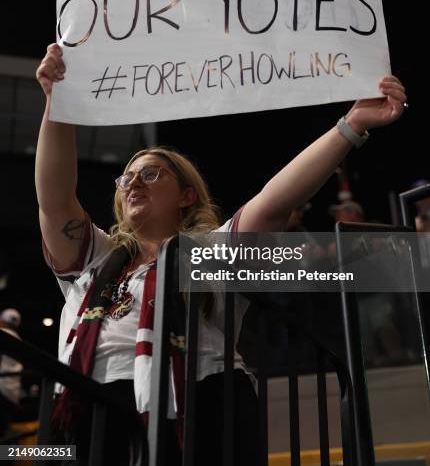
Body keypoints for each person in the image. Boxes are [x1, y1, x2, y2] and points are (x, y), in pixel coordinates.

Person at [35, 42, 407, 465]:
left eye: (152, 173)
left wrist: (352, 124)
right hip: (87, 407)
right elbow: (53, 198)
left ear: (186, 195)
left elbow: (273, 202)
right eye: (127, 178)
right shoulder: (93, 258)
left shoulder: (212, 251)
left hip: (201, 403)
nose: (134, 184)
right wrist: (56, 102)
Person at [0, 308, 23, 438]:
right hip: (12, 392)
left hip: (1, 389)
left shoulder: (2, 333)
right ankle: (7, 456)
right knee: (4, 433)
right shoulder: (19, 340)